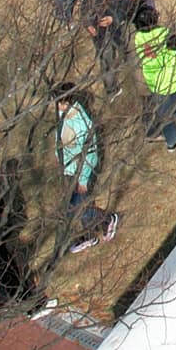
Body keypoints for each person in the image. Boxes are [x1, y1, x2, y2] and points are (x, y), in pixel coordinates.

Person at [54, 85, 119, 253]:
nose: (58, 106)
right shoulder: (63, 114)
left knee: (77, 205)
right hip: (70, 169)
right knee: (75, 204)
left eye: (61, 103)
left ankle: (107, 219)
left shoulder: (80, 122)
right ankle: (89, 234)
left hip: (83, 169)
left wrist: (83, 180)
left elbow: (89, 152)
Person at [134, 4, 176, 149]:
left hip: (155, 85)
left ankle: (171, 142)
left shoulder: (138, 38)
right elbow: (171, 56)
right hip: (174, 81)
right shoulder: (163, 33)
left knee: (164, 116)